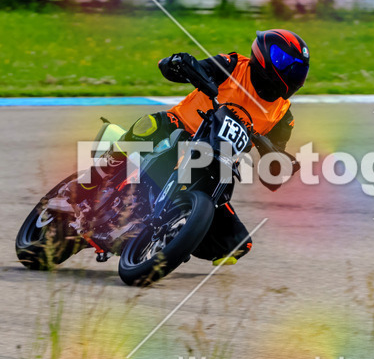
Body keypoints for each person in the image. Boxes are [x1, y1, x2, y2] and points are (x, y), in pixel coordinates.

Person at [119, 29, 309, 265]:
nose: (293, 74)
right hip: (181, 126)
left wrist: (279, 164)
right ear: (263, 56)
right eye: (287, 64)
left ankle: (175, 232)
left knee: (237, 245)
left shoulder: (283, 116)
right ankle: (107, 164)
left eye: (299, 70)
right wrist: (181, 64)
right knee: (149, 125)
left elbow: (273, 166)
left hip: (218, 162)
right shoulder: (232, 66)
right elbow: (183, 69)